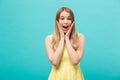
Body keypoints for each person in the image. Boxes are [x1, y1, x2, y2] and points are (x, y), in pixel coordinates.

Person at [45, 7, 85, 80]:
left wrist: (67, 39)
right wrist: (62, 39)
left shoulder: (80, 37)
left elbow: (75, 61)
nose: (65, 22)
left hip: (75, 77)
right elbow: (55, 62)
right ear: (57, 21)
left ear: (73, 22)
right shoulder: (49, 39)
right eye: (62, 18)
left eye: (69, 19)